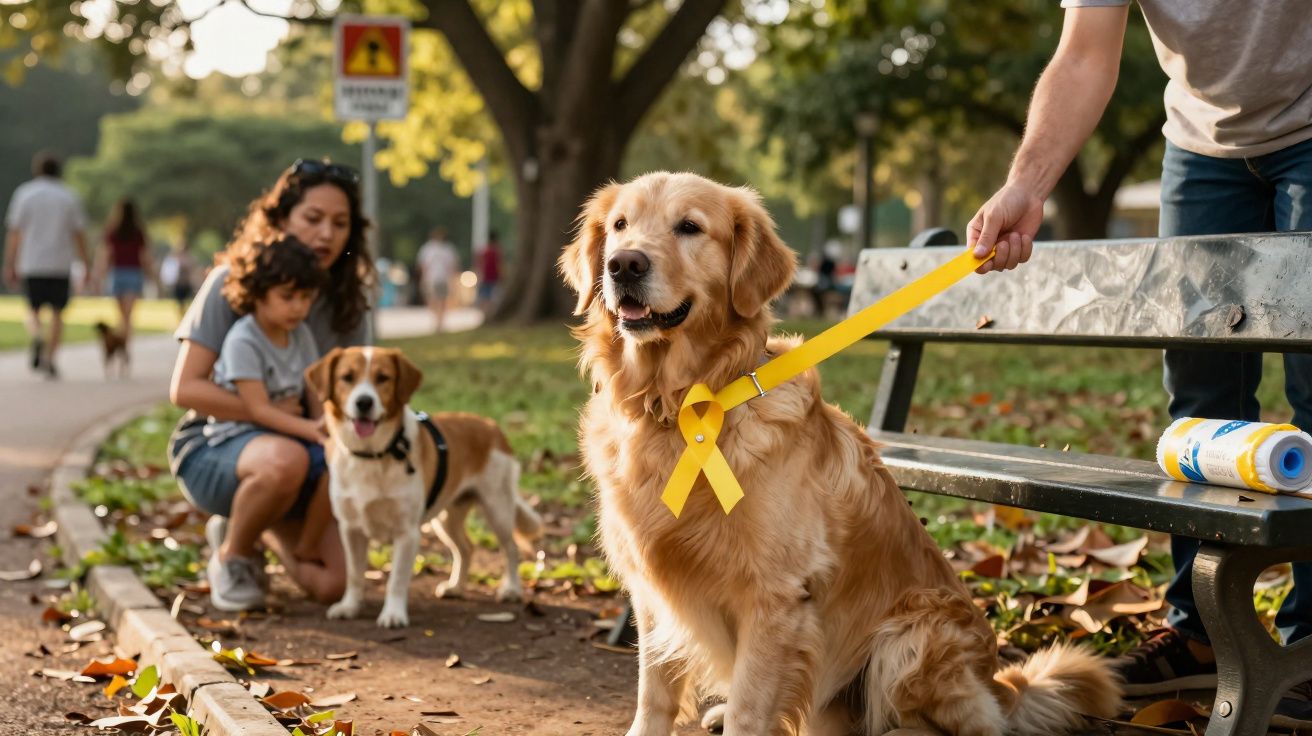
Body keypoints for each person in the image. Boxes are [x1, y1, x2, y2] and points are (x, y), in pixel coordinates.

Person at [967, 1, 1312, 706]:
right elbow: (1085, 54)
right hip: (1201, 143)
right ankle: (1199, 631)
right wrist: (1026, 186)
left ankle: (1309, 644)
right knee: (1200, 396)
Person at [167, 158, 374, 611]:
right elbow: (185, 389)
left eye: (340, 223)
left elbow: (347, 397)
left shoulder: (349, 304)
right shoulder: (232, 284)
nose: (326, 234)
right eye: (312, 218)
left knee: (334, 586)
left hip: (308, 451)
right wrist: (283, 417)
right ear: (279, 219)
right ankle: (234, 555)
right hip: (220, 448)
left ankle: (254, 522)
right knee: (284, 460)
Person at [204, 236, 332, 610]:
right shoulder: (244, 339)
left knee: (336, 464)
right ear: (258, 294)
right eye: (287, 297)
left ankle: (306, 546)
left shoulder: (300, 335)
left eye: (306, 298)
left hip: (289, 435)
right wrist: (312, 430)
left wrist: (327, 424)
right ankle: (232, 557)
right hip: (242, 436)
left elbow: (313, 390)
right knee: (290, 460)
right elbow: (257, 410)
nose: (299, 308)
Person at [3, 151, 90, 379]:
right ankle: (51, 357)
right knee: (58, 314)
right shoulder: (69, 196)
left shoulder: (25, 194)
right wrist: (86, 264)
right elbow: (79, 235)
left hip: (31, 263)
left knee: (33, 310)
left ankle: (37, 336)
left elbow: (15, 233)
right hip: (60, 264)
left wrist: (9, 263)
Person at [95, 198, 154, 342]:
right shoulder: (138, 232)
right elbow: (144, 256)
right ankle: (125, 344)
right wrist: (152, 274)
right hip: (134, 273)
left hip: (117, 273)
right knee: (127, 316)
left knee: (122, 315)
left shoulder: (113, 231)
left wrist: (100, 273)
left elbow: (106, 254)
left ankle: (121, 342)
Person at [416, 226, 459, 332]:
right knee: (433, 300)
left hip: (443, 279)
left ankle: (440, 322)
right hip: (431, 278)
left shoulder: (447, 249)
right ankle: (437, 320)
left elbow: (452, 265)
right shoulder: (427, 248)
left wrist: (452, 279)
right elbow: (423, 265)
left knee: (443, 300)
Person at [159, 239, 198, 318]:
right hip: (179, 285)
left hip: (187, 285)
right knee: (180, 304)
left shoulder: (189, 259)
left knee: (190, 304)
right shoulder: (175, 259)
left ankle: (186, 317)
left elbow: (192, 272)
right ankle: (182, 318)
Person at [477, 230, 502, 311]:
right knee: (492, 297)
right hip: (493, 277)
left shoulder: (484, 250)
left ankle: (486, 312)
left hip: (486, 277)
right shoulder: (497, 251)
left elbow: (480, 264)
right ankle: (489, 312)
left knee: (485, 296)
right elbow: (499, 264)